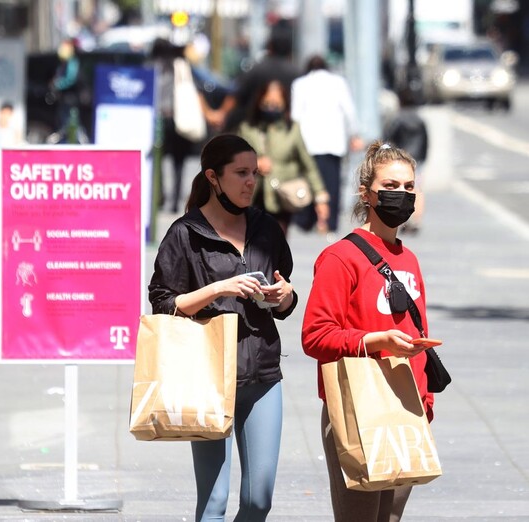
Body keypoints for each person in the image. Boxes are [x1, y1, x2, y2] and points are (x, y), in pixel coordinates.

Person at [149, 134, 298, 521]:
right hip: (209, 376)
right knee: (214, 502)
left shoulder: (266, 228)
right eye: (241, 173)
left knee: (258, 499)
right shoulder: (185, 234)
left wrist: (284, 296)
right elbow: (162, 303)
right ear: (213, 178)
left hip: (263, 373)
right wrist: (220, 287)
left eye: (255, 173)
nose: (251, 181)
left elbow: (285, 297)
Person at [301, 141, 435, 521]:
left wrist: (425, 406)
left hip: (405, 406)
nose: (402, 195)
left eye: (409, 188)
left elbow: (416, 334)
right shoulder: (340, 257)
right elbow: (315, 335)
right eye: (391, 186)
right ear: (366, 194)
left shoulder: (408, 258)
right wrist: (376, 341)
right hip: (357, 406)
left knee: (389, 517)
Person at [237, 79, 330, 237]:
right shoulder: (247, 128)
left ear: (285, 104)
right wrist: (254, 163)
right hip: (253, 197)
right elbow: (233, 159)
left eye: (276, 104)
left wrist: (320, 197)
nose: (271, 107)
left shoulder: (292, 129)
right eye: (267, 103)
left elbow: (308, 165)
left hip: (282, 199)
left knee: (276, 247)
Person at [291, 55, 363, 237]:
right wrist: (354, 134)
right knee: (331, 184)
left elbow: (295, 115)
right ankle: (329, 222)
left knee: (308, 182)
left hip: (308, 142)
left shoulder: (300, 84)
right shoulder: (338, 82)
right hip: (333, 141)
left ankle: (306, 220)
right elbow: (349, 110)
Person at [150, 38, 209, 213]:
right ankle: (175, 201)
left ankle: (158, 196)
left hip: (158, 119)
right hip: (177, 118)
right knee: (179, 162)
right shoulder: (181, 66)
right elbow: (198, 89)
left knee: (157, 160)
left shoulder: (151, 66)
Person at [211, 20, 300, 133]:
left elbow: (236, 94)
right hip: (286, 129)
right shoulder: (297, 73)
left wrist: (222, 113)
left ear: (270, 46)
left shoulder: (257, 69)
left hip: (257, 128)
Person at [384, 88, 429, 234]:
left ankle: (403, 221)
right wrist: (423, 157)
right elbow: (426, 141)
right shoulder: (420, 119)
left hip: (401, 159)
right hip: (418, 160)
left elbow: (389, 137)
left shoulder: (397, 118)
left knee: (401, 189)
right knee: (418, 190)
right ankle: (417, 221)